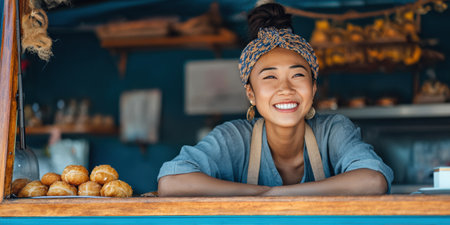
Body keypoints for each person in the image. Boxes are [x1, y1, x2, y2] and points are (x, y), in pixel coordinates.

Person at [157, 3, 393, 197]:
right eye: (270, 77)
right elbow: (172, 183)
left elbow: (372, 181)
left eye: (298, 75)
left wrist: (276, 196)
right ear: (251, 93)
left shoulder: (333, 131)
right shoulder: (234, 138)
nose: (285, 88)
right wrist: (265, 192)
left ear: (312, 88)